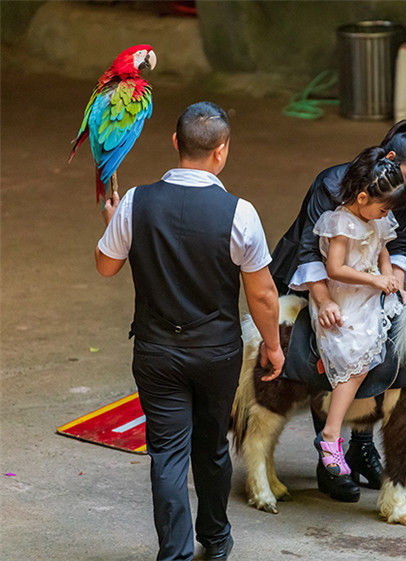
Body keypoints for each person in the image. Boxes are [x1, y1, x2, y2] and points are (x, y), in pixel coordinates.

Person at [94, 102, 284, 561]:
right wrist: (273, 347)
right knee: (212, 447)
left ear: (175, 143)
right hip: (216, 352)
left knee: (166, 453)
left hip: (157, 351)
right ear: (222, 152)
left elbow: (106, 266)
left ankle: (174, 553)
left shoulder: (136, 202)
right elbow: (262, 295)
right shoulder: (240, 213)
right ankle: (216, 540)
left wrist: (115, 222)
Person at [268, 120, 406, 497]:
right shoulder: (331, 186)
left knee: (379, 351)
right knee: (327, 359)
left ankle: (362, 445)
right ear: (389, 160)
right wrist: (323, 299)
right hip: (308, 277)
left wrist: (393, 279)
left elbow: (395, 242)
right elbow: (308, 249)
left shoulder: (398, 195)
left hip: (365, 282)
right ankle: (328, 459)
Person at [310, 147, 406, 475]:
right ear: (362, 197)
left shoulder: (375, 217)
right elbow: (335, 269)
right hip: (345, 295)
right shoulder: (341, 223)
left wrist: (389, 273)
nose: (384, 215)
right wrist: (374, 280)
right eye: (381, 208)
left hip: (370, 289)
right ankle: (331, 433)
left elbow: (382, 248)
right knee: (358, 356)